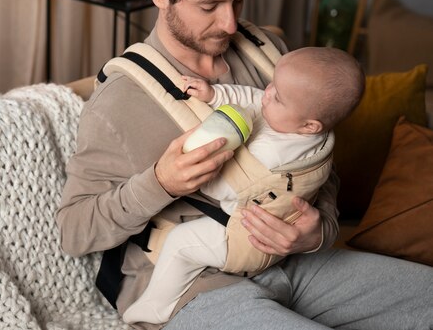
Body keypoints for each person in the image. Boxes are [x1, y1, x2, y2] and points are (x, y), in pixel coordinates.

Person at [57, 0, 433, 329]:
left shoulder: (270, 52)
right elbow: (75, 232)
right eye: (209, 6)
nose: (231, 24)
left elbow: (315, 162)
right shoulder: (121, 100)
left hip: (293, 262)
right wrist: (160, 183)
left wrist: (318, 231)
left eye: (238, 0)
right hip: (195, 285)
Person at [122, 47, 365, 325]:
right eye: (272, 83)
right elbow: (252, 97)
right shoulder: (292, 117)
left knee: (181, 244)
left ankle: (155, 307)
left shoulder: (275, 154)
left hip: (248, 240)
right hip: (259, 229)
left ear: (310, 127)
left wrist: (194, 172)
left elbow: (224, 189)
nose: (267, 92)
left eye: (278, 97)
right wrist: (215, 96)